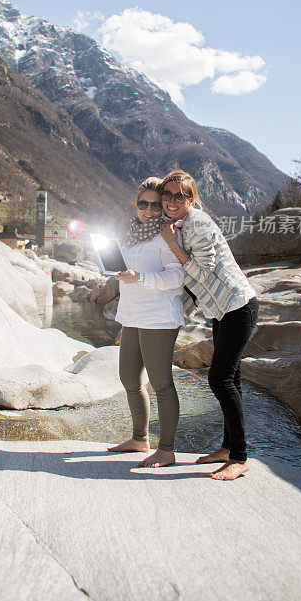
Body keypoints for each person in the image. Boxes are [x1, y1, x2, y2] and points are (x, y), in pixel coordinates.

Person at [159, 169, 259, 481]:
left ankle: (240, 457)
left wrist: (173, 245)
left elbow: (203, 273)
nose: (173, 200)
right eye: (168, 194)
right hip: (222, 311)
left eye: (181, 195)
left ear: (191, 198)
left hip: (237, 307)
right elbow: (193, 287)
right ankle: (229, 448)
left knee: (220, 379)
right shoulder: (181, 226)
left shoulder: (197, 224)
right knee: (233, 379)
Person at [108, 177, 184, 468]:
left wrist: (140, 278)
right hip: (132, 314)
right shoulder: (132, 233)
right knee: (129, 378)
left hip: (159, 317)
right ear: (136, 205)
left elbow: (177, 277)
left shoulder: (167, 234)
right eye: (143, 204)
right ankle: (140, 439)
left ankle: (167, 450)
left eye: (155, 204)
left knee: (162, 384)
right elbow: (130, 269)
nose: (149, 210)